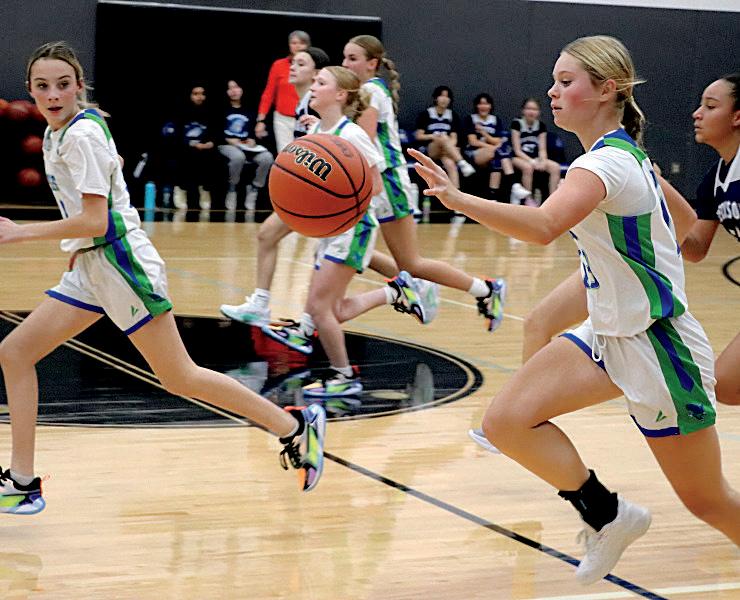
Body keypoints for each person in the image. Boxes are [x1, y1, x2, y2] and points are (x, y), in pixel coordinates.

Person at [409, 35, 740, 585]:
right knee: (506, 421)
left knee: (707, 500)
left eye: (566, 82)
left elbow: (543, 226)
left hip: (660, 349)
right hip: (610, 333)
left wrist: (458, 199)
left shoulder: (609, 164)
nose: (552, 91)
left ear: (606, 89)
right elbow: (682, 236)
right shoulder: (623, 157)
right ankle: (609, 515)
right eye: (554, 81)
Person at [0, 42, 327, 515]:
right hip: (93, 264)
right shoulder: (61, 133)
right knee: (15, 352)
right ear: (30, 90)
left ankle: (295, 427)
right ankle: (23, 481)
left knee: (180, 376)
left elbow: (96, 220)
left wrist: (20, 233)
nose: (53, 94)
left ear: (79, 86)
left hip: (122, 265)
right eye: (43, 86)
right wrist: (78, 253)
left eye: (63, 84)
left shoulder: (81, 136)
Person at [221, 48, 437, 331]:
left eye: (301, 64)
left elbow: (352, 154)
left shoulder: (327, 108)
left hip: (333, 196)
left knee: (314, 251)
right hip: (313, 194)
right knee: (294, 243)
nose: (293, 68)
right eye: (293, 63)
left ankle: (405, 287)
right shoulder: (306, 106)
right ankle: (407, 285)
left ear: (317, 73)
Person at [263, 66, 433, 397]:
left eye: (321, 82)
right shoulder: (319, 130)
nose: (313, 86)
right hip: (332, 229)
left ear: (340, 95)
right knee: (332, 310)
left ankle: (343, 376)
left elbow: (376, 185)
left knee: (319, 308)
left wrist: (340, 203)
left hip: (353, 228)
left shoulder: (353, 136)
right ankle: (395, 293)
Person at [343, 34, 507, 332]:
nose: (345, 64)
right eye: (344, 57)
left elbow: (362, 142)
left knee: (408, 262)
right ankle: (433, 286)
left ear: (372, 64)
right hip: (377, 180)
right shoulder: (366, 92)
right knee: (349, 246)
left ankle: (485, 288)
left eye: (352, 58)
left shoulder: (370, 90)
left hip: (386, 182)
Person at [683, 72, 740, 406]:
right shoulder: (716, 178)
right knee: (727, 385)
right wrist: (656, 196)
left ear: (737, 116)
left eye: (710, 106)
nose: (697, 113)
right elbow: (694, 249)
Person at [218, 79, 274, 211]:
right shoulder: (221, 109)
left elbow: (254, 132)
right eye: (230, 88)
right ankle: (232, 189)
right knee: (238, 157)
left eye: (236, 87)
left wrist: (252, 140)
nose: (233, 91)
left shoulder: (250, 110)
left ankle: (254, 189)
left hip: (246, 146)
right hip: (227, 144)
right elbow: (215, 131)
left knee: (267, 158)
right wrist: (230, 140)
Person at [462, 92, 524, 204]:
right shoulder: (471, 119)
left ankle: (492, 198)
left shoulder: (495, 120)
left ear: (490, 106)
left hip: (494, 153)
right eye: (480, 104)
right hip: (474, 153)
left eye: (486, 104)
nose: (483, 106)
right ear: (476, 106)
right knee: (499, 152)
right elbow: (473, 141)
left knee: (497, 161)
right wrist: (492, 146)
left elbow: (499, 140)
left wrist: (484, 134)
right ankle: (514, 184)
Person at [255, 30, 311, 152]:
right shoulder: (279, 65)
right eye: (294, 43)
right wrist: (261, 120)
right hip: (282, 119)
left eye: (301, 43)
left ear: (308, 45)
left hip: (305, 118)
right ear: (289, 45)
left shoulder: (312, 66)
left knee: (305, 154)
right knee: (285, 153)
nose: (297, 46)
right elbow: (268, 94)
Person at [414, 85, 476, 192]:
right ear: (435, 98)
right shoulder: (426, 114)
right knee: (442, 137)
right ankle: (462, 162)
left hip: (446, 151)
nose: (444, 99)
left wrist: (447, 145)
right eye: (441, 96)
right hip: (431, 149)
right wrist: (434, 136)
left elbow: (454, 139)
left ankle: (456, 196)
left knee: (451, 165)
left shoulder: (452, 115)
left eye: (447, 97)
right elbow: (419, 136)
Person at [171, 84, 223, 211]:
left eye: (202, 94)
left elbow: (216, 133)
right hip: (185, 146)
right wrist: (192, 144)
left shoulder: (211, 112)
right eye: (196, 94)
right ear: (190, 95)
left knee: (214, 158)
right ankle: (181, 190)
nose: (199, 97)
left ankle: (205, 191)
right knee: (183, 156)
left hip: (205, 147)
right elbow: (176, 135)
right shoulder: (180, 112)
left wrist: (211, 143)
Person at [510, 97, 562, 204]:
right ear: (523, 110)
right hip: (518, 157)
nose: (531, 112)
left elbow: (542, 149)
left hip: (535, 157)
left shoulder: (541, 126)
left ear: (538, 112)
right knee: (528, 167)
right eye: (528, 108)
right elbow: (517, 150)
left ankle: (553, 200)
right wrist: (532, 161)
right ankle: (528, 199)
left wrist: (542, 161)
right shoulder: (517, 124)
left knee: (555, 167)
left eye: (534, 109)